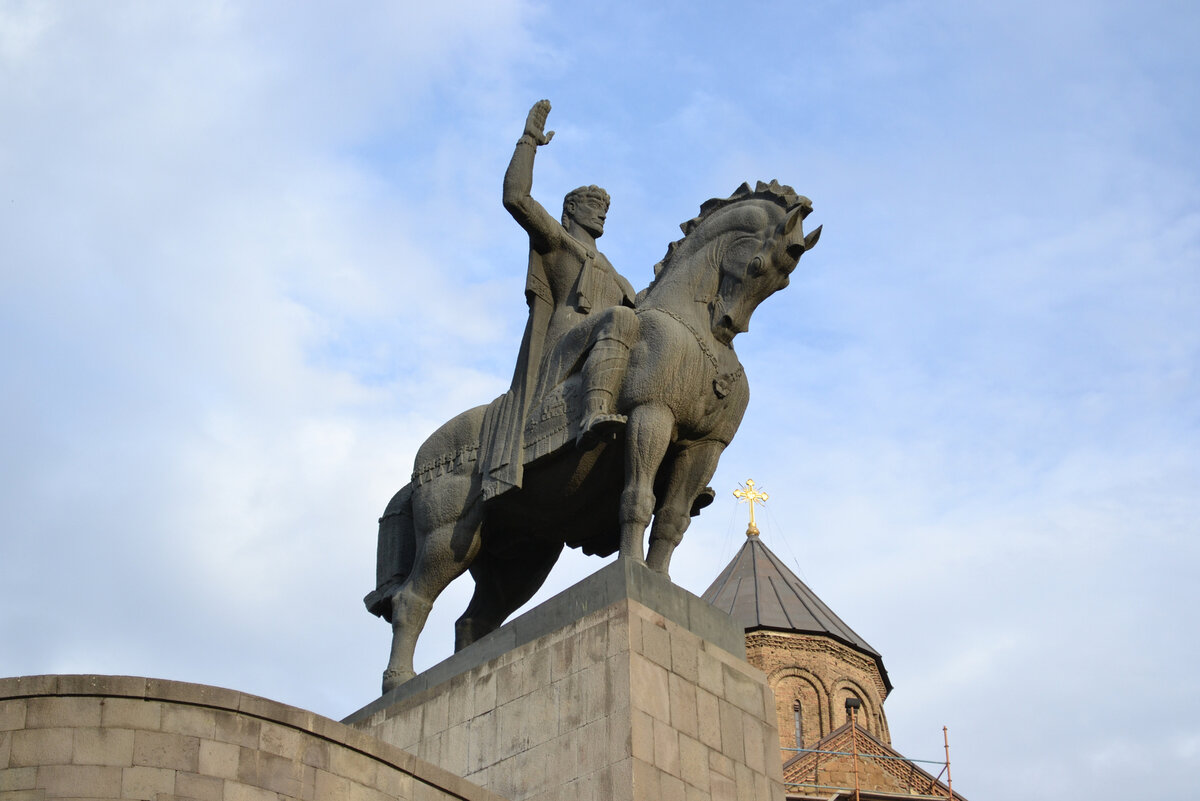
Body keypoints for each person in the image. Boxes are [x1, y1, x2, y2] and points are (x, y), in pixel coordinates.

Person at [478, 100, 638, 501]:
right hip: (564, 346)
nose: (601, 214)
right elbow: (516, 197)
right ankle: (593, 414)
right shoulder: (558, 243)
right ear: (570, 209)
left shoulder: (616, 274)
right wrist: (529, 140)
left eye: (605, 209)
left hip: (603, 345)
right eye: (592, 206)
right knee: (618, 318)